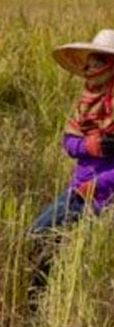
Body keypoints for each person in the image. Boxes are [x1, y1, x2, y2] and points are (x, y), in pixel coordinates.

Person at [30, 29, 114, 241]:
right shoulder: (86, 103)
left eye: (99, 62)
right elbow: (68, 141)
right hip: (79, 187)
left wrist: (97, 185)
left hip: (101, 194)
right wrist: (88, 145)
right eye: (91, 63)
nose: (93, 69)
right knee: (39, 235)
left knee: (40, 234)